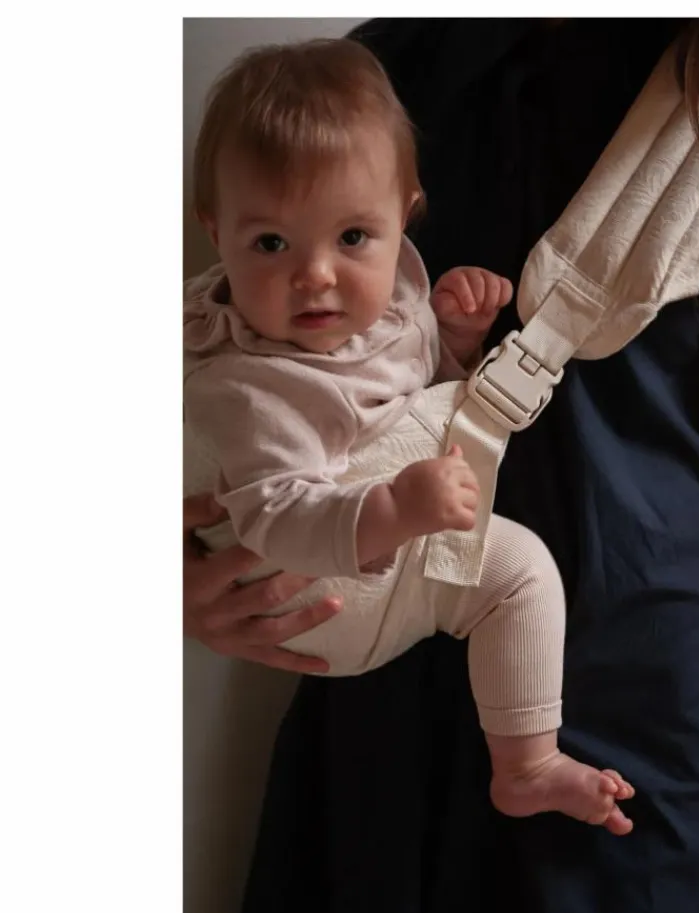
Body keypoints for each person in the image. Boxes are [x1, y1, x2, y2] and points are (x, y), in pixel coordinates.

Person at [183, 17, 699, 913]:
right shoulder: (374, 74)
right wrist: (187, 583)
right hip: (384, 707)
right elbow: (245, 390)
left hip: (648, 743)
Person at [183, 37, 634, 832]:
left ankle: (527, 764)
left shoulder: (393, 302)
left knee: (525, 573)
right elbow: (276, 517)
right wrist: (394, 509)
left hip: (391, 549)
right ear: (216, 234)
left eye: (353, 237)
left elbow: (412, 403)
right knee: (512, 564)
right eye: (271, 243)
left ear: (406, 214)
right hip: (314, 595)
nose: (315, 274)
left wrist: (455, 341)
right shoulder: (252, 390)